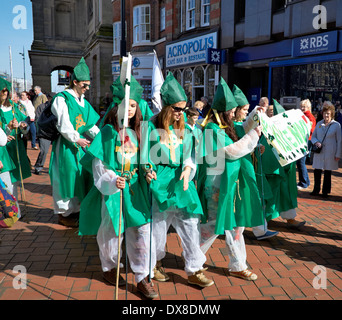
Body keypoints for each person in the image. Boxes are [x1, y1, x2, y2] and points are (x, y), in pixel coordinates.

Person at [79, 78, 158, 299]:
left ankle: (143, 277)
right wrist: (113, 180)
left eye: (133, 105)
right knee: (112, 233)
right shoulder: (107, 132)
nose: (130, 109)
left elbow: (147, 158)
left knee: (142, 232)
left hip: (136, 189)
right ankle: (110, 266)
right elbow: (99, 165)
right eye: (125, 104)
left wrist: (149, 171)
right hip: (114, 189)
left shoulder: (141, 130)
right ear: (116, 105)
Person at [141, 72, 214, 288]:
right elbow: (144, 156)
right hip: (161, 182)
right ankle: (153, 263)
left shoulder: (185, 128)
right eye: (177, 109)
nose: (180, 113)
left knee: (191, 224)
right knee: (159, 225)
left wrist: (188, 168)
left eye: (183, 109)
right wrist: (148, 170)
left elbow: (190, 154)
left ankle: (194, 268)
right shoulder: (151, 127)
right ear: (166, 106)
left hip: (182, 182)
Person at [197, 78, 264, 281]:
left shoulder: (227, 126)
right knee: (213, 224)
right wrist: (253, 138)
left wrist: (254, 120)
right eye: (232, 111)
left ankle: (237, 265)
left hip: (231, 184)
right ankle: (193, 256)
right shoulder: (211, 128)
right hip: (217, 185)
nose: (235, 114)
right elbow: (231, 151)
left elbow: (242, 130)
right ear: (223, 111)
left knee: (236, 225)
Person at [49, 57, 100, 227]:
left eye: (88, 85)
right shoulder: (62, 98)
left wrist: (102, 138)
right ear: (75, 82)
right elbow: (63, 124)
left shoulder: (83, 102)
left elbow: (90, 125)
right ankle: (64, 213)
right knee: (66, 176)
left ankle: (76, 210)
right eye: (84, 85)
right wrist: (76, 138)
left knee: (80, 176)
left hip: (80, 146)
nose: (86, 88)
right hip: (66, 145)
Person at [232, 85, 279, 241]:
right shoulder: (230, 127)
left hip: (246, 168)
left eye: (247, 110)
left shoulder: (237, 125)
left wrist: (256, 145)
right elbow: (239, 143)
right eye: (244, 110)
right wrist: (253, 143)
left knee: (252, 198)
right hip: (238, 170)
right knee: (245, 199)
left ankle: (258, 229)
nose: (246, 112)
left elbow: (245, 131)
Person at [253, 100, 306, 231]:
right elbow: (266, 153)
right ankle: (263, 220)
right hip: (272, 173)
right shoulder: (268, 132)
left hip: (282, 172)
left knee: (285, 195)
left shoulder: (285, 131)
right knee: (269, 196)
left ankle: (290, 218)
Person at [0, 78, 31, 218]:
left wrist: (23, 126)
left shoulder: (14, 107)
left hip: (15, 147)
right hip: (3, 150)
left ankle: (14, 210)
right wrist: (7, 131)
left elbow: (25, 122)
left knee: (15, 181)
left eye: (6, 92)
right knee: (5, 181)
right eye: (2, 92)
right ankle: (10, 211)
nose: (4, 95)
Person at [310, 102, 342, 197]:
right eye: (324, 113)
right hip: (320, 152)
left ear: (331, 114)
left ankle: (325, 191)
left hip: (330, 152)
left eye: (328, 113)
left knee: (328, 172)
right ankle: (316, 189)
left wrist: (338, 154)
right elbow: (313, 136)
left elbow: (339, 141)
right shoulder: (319, 124)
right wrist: (316, 142)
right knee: (317, 171)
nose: (326, 115)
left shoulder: (336, 125)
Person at [297, 99, 316, 189]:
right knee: (300, 162)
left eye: (304, 107)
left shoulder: (309, 117)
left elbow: (310, 130)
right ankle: (305, 181)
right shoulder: (305, 116)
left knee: (301, 162)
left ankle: (304, 182)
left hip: (306, 141)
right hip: (304, 141)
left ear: (308, 107)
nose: (302, 108)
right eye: (301, 106)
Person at [33, 93, 53, 175]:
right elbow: (37, 120)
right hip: (44, 133)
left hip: (55, 133)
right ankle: (38, 167)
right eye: (51, 98)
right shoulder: (41, 107)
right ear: (48, 98)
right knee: (44, 151)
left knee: (57, 151)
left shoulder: (59, 107)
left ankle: (53, 168)